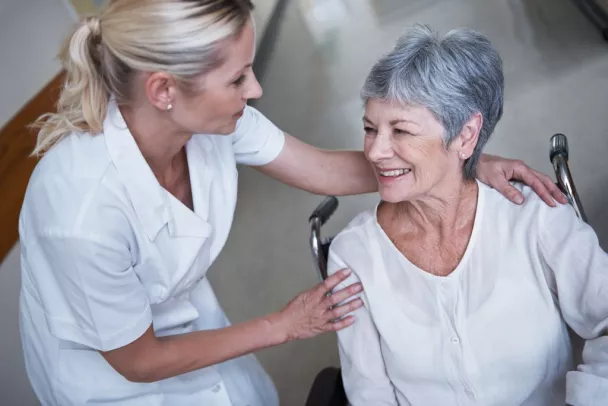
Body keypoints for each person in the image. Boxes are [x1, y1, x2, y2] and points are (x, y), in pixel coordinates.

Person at [18, 1, 566, 405]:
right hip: (112, 378)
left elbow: (325, 169)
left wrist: (459, 162)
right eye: (237, 78)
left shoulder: (213, 120)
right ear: (164, 91)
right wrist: (284, 324)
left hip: (183, 319)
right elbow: (137, 360)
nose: (255, 89)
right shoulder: (81, 215)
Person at [327, 24, 608, 406]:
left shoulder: (533, 219)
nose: (375, 152)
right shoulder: (353, 255)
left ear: (465, 135)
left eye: (401, 131)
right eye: (370, 129)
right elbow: (369, 394)